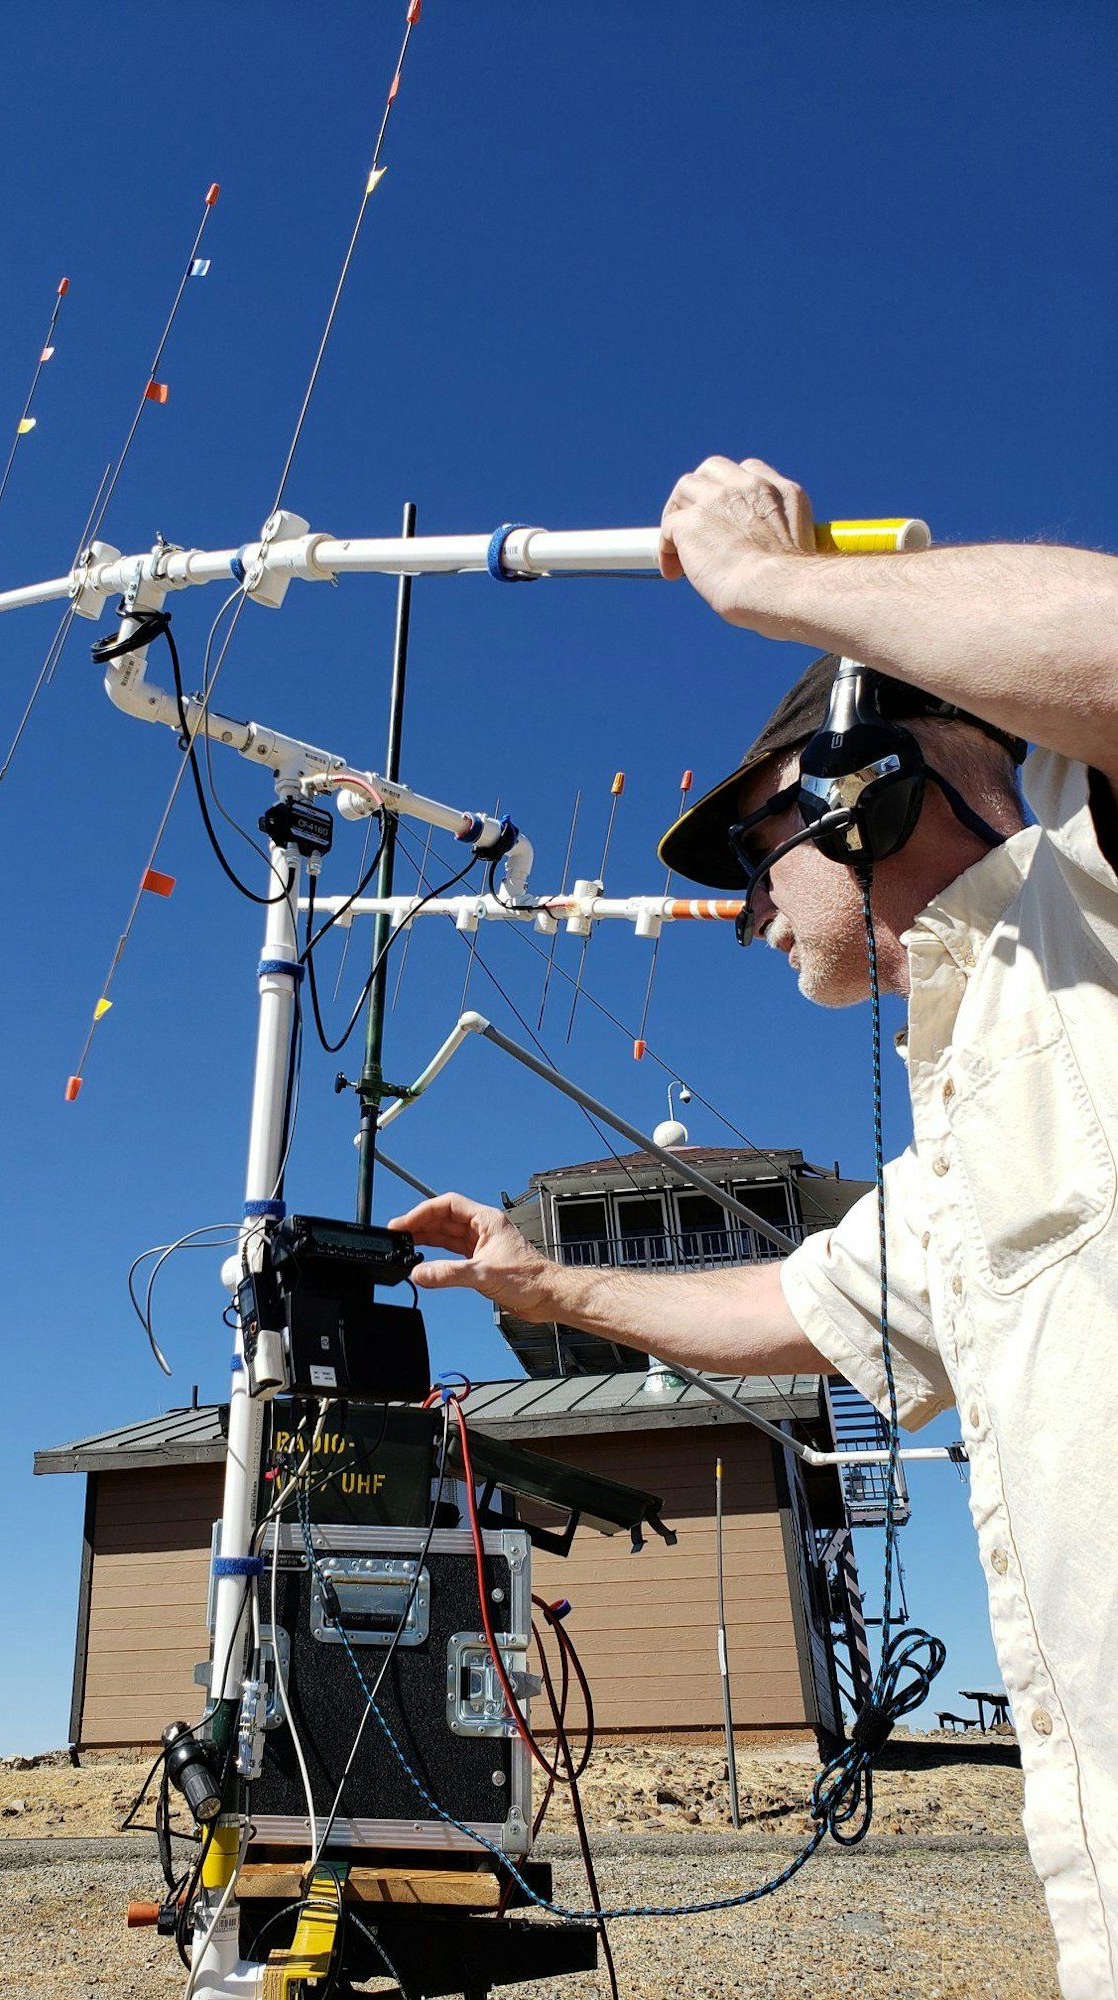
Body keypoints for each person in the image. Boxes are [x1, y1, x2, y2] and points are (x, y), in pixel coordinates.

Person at [390, 456, 1118, 2000]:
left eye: (745, 850)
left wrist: (770, 585)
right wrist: (547, 1281)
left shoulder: (1092, 898)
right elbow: (801, 1302)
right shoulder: (975, 1115)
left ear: (866, 778)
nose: (742, 912)